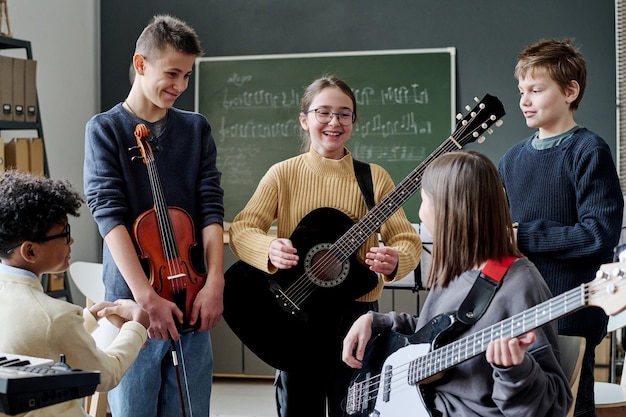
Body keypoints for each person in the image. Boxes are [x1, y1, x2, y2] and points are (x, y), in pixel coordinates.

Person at [228, 75, 422, 417]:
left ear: (353, 122)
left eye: (344, 114)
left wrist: (396, 260)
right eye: (324, 113)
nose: (334, 122)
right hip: (296, 318)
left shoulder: (374, 178)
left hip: (357, 319)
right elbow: (244, 228)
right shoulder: (282, 174)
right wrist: (268, 250)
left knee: (356, 410)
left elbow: (405, 238)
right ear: (305, 120)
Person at [343, 150, 572, 417]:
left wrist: (516, 370)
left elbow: (554, 404)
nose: (421, 211)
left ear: (447, 211)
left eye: (424, 200)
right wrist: (377, 321)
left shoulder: (521, 285)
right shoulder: (456, 268)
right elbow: (432, 335)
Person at [83, 14, 224, 417]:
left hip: (194, 295)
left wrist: (215, 281)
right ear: (141, 64)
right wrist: (147, 299)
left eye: (187, 76)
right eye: (172, 73)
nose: (179, 86)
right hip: (133, 306)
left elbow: (211, 208)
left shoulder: (196, 130)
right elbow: (109, 216)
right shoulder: (105, 130)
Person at [498, 38, 623, 417]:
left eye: (536, 90)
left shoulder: (589, 150)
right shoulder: (511, 159)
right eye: (522, 91)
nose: (525, 100)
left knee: (571, 409)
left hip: (571, 315)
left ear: (570, 91)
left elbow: (599, 235)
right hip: (517, 310)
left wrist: (525, 236)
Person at [0, 170, 150, 417]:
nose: (71, 242)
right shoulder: (55, 316)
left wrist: (88, 318)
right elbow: (106, 374)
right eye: (65, 234)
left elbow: (40, 342)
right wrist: (136, 327)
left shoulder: (48, 315)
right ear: (30, 252)